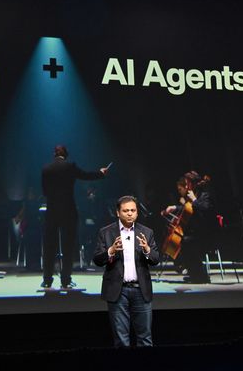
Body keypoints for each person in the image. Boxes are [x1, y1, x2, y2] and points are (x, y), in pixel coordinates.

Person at [94, 195, 159, 347]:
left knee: (145, 338)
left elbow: (155, 259)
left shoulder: (147, 232)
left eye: (133, 210)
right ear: (118, 213)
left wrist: (147, 250)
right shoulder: (106, 232)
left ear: (137, 212)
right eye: (126, 211)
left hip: (140, 290)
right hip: (118, 291)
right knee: (121, 340)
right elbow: (97, 260)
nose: (130, 213)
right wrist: (110, 251)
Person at [41, 145, 108, 288]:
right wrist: (100, 173)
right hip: (68, 211)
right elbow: (85, 175)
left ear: (54, 154)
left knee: (49, 246)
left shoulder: (46, 169)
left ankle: (47, 279)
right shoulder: (70, 166)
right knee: (68, 246)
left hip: (52, 211)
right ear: (66, 154)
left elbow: (45, 191)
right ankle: (65, 280)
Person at [161, 171, 215, 284]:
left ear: (192, 183)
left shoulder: (204, 194)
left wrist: (194, 200)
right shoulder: (194, 194)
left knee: (186, 242)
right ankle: (194, 273)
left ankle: (201, 275)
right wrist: (175, 207)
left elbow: (205, 210)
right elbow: (187, 208)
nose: (186, 185)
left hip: (207, 232)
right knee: (183, 240)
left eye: (187, 183)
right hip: (196, 231)